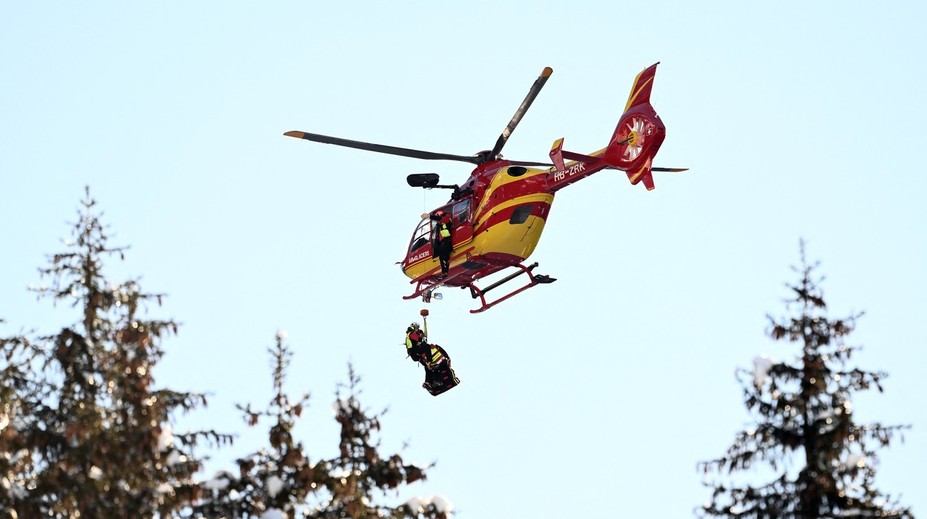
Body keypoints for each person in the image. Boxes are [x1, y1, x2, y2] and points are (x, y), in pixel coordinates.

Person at [431, 210, 453, 276]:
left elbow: (443, 220)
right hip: (443, 241)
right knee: (445, 257)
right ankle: (446, 271)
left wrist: (429, 216)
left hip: (447, 240)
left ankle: (444, 272)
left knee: (442, 256)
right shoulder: (440, 224)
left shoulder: (447, 218)